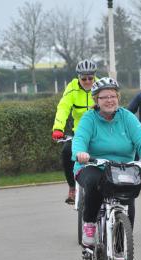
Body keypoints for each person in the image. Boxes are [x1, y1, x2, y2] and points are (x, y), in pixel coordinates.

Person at [72, 77, 141, 247]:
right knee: (93, 182)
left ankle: (120, 249)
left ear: (118, 97)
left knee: (129, 195)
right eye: (104, 97)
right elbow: (80, 138)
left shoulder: (127, 117)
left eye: (113, 96)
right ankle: (89, 224)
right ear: (96, 100)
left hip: (121, 168)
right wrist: (80, 153)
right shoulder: (89, 119)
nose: (109, 100)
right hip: (92, 165)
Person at [51, 59, 98, 204]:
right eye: (84, 78)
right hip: (80, 133)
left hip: (99, 132)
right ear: (78, 77)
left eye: (91, 77)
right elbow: (63, 108)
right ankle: (72, 187)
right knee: (66, 151)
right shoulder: (72, 88)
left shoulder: (101, 86)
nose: (87, 81)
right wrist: (58, 128)